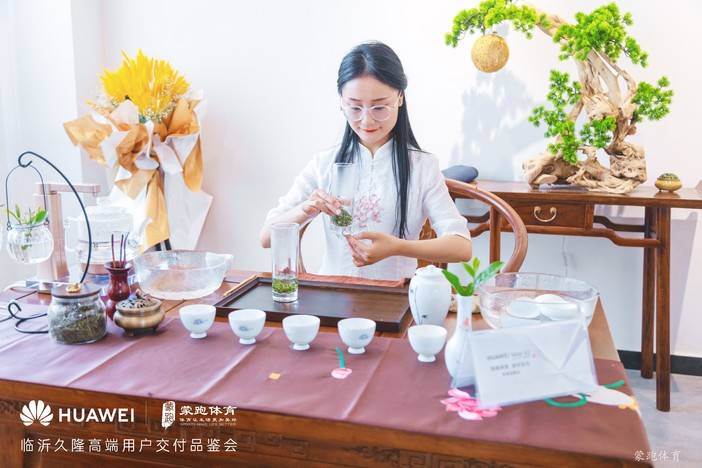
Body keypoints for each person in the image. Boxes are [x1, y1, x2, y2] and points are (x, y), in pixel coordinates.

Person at [260, 41, 471, 280]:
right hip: (331, 294)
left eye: (379, 108)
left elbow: (461, 246)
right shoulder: (324, 164)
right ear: (342, 101)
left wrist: (397, 247)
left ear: (400, 97)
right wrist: (305, 209)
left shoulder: (422, 167)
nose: (367, 121)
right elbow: (266, 237)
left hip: (392, 297)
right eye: (355, 107)